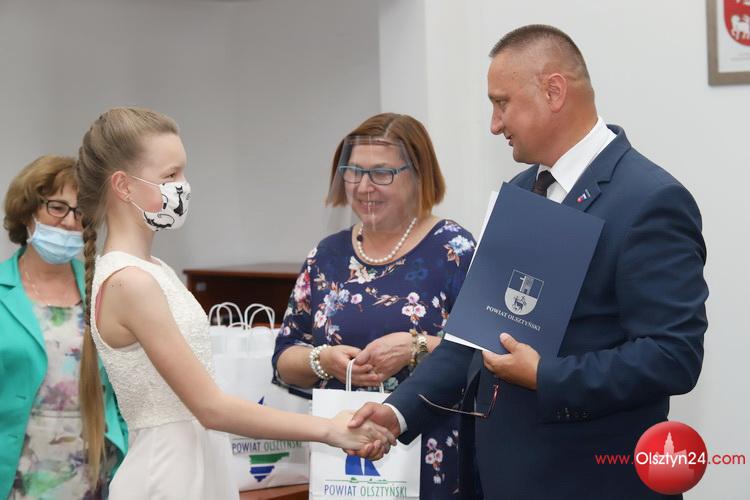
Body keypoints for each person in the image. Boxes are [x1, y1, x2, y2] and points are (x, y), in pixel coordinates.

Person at [348, 25, 708, 500]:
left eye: (502, 103)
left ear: (554, 91)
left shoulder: (649, 200)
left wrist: (545, 376)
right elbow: (473, 336)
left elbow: (672, 356)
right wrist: (397, 413)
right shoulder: (522, 192)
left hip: (592, 482)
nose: (495, 124)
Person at [75, 107, 394, 500]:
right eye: (170, 175)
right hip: (168, 472)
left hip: (195, 459)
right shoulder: (131, 282)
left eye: (183, 173)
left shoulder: (154, 270)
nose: (183, 186)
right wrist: (329, 428)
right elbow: (210, 407)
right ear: (123, 186)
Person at [273, 112, 476, 498]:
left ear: (418, 174)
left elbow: (482, 356)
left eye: (381, 173)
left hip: (431, 456)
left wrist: (415, 347)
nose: (364, 187)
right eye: (353, 172)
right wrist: (323, 360)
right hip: (343, 465)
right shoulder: (326, 256)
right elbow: (284, 358)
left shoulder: (454, 249)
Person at [0, 155, 128, 499]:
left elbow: (125, 385)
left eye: (80, 211)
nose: (70, 222)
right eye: (57, 207)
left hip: (93, 476)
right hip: (17, 476)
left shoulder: (103, 289)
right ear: (27, 212)